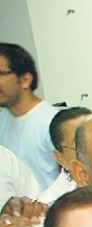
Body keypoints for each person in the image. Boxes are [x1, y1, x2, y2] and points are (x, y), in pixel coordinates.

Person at [0, 43, 59, 190]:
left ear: (25, 79)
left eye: (1, 73)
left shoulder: (53, 122)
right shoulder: (3, 120)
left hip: (50, 210)